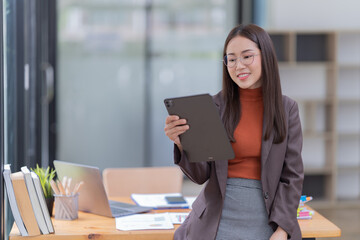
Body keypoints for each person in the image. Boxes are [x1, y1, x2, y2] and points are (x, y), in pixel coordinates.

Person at [164, 24, 304, 240]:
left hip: (266, 218)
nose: (239, 65)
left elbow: (291, 177)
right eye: (231, 59)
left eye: (247, 56)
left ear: (265, 56)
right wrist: (183, 144)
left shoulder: (287, 110)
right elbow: (201, 175)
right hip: (215, 219)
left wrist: (282, 230)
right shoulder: (213, 107)